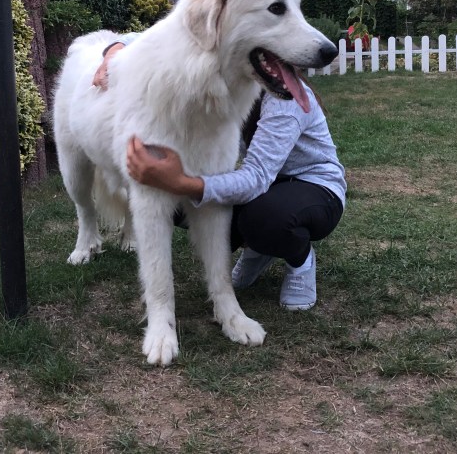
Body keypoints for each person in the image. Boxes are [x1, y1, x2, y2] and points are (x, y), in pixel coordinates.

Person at [96, 38, 346, 310]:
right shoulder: (228, 88)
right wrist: (115, 49)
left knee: (264, 217)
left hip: (313, 185)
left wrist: (183, 182)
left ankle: (300, 260)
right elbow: (168, 37)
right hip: (265, 189)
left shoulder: (284, 99)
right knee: (174, 201)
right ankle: (258, 248)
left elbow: (257, 177)